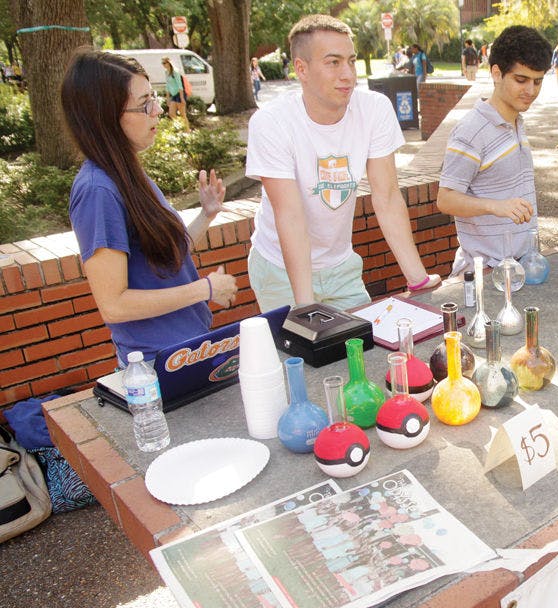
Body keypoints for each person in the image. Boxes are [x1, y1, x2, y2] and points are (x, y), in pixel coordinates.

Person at [245, 16, 440, 311]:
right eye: (333, 62)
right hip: (280, 269)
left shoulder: (374, 109)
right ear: (302, 69)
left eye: (351, 61)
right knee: (301, 355)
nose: (347, 74)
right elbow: (290, 214)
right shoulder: (271, 122)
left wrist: (417, 279)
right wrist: (305, 307)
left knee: (361, 350)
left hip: (341, 266)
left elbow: (386, 196)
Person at [60, 50, 237, 365]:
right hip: (156, 364)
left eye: (153, 98)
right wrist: (204, 290)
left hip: (186, 350)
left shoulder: (127, 173)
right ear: (105, 115)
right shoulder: (97, 191)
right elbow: (114, 304)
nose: (158, 110)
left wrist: (206, 215)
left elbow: (164, 257)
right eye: (144, 104)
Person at [436, 25, 552, 276]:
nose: (530, 91)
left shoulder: (517, 121)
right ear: (497, 73)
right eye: (521, 80)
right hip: (485, 273)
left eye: (538, 81)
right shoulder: (471, 130)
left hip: (523, 265)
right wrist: (495, 206)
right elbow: (445, 199)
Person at [161, 57, 188, 129]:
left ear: (169, 63)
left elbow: (180, 85)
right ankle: (179, 127)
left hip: (179, 94)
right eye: (162, 63)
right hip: (173, 95)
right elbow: (167, 86)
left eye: (164, 63)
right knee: (171, 114)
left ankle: (187, 130)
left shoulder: (175, 72)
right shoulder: (166, 72)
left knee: (183, 114)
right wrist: (167, 98)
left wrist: (182, 98)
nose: (163, 65)